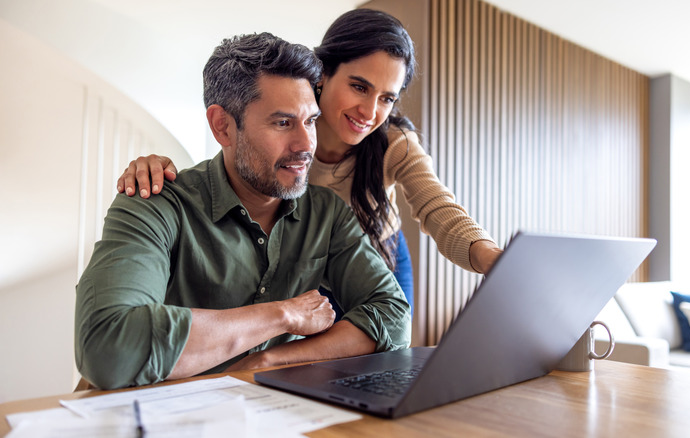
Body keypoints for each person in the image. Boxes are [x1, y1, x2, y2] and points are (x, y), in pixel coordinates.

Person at [75, 32, 410, 390]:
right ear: (223, 126)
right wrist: (282, 315)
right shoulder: (154, 202)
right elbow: (108, 347)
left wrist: (269, 361)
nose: (305, 144)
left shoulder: (327, 214)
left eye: (311, 121)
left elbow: (393, 317)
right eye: (282, 123)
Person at [117, 9, 503, 316]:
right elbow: (239, 160)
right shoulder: (287, 131)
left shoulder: (393, 143)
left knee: (386, 354)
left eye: (387, 98)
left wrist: (493, 259)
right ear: (323, 75)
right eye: (359, 87)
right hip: (307, 261)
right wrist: (157, 167)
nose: (370, 112)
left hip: (379, 252)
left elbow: (438, 207)